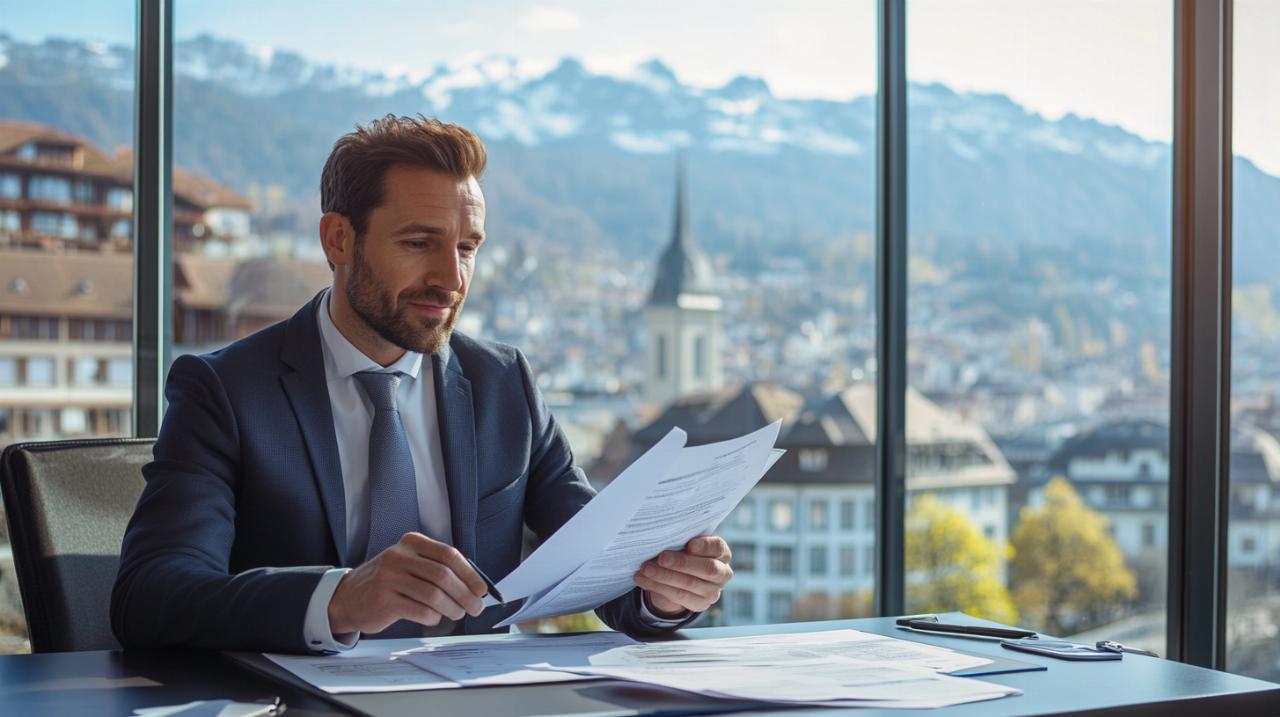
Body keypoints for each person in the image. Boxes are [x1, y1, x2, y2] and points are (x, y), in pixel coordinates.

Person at [110, 115, 734, 653]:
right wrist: (340, 599)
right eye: (419, 242)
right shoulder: (225, 390)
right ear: (338, 239)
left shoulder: (503, 384)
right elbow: (151, 595)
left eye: (468, 247)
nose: (452, 278)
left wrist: (667, 592)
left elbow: (603, 567)